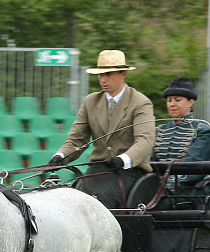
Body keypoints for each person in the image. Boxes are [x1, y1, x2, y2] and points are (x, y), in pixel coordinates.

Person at [49, 49, 155, 208]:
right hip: (97, 170)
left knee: (100, 202)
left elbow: (145, 141)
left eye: (108, 74)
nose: (103, 79)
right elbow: (77, 140)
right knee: (73, 201)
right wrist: (61, 155)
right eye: (100, 75)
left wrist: (123, 159)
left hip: (129, 170)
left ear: (123, 74)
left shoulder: (140, 103)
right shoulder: (90, 102)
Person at [150, 76, 210, 208]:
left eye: (177, 100)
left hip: (186, 191)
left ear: (190, 102)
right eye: (169, 100)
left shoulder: (202, 131)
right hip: (157, 188)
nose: (172, 104)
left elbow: (193, 164)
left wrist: (168, 187)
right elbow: (150, 162)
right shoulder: (159, 130)